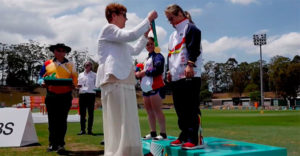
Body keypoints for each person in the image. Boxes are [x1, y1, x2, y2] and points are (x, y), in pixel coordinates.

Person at [95, 3, 157, 156]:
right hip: (114, 81)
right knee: (118, 121)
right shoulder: (108, 29)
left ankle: (130, 152)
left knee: (128, 120)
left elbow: (135, 50)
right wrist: (148, 20)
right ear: (113, 15)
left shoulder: (119, 40)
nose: (126, 19)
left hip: (124, 81)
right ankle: (118, 153)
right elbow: (131, 35)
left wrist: (144, 36)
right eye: (124, 15)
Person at [164, 4, 204, 149]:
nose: (170, 22)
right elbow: (171, 55)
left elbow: (194, 49)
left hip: (190, 75)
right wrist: (168, 72)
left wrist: (190, 64)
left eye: (171, 18)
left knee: (190, 108)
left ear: (180, 14)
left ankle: (195, 138)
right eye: (168, 20)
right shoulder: (172, 35)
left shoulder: (191, 28)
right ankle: (184, 135)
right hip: (176, 77)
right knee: (180, 109)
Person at [39, 43, 78, 153]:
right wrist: (41, 82)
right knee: (52, 121)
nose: (60, 52)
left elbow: (75, 78)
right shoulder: (47, 63)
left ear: (65, 52)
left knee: (62, 121)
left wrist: (74, 84)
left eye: (63, 50)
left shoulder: (71, 64)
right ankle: (52, 144)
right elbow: (40, 77)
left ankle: (61, 144)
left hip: (65, 96)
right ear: (54, 51)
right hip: (51, 95)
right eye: (58, 50)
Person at [135, 37, 167, 140]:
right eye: (147, 44)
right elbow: (140, 71)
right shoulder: (146, 59)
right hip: (146, 88)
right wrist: (137, 73)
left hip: (156, 86)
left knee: (157, 110)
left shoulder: (158, 56)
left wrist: (144, 72)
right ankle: (153, 132)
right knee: (149, 111)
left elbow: (158, 69)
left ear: (155, 44)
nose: (149, 46)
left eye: (151, 44)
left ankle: (163, 133)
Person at [77, 61, 96, 135]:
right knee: (82, 113)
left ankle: (90, 130)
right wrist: (78, 86)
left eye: (88, 65)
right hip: (82, 94)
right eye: (85, 65)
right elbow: (78, 84)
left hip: (91, 94)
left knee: (91, 113)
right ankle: (82, 130)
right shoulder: (80, 74)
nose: (86, 66)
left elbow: (97, 84)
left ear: (91, 66)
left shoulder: (94, 75)